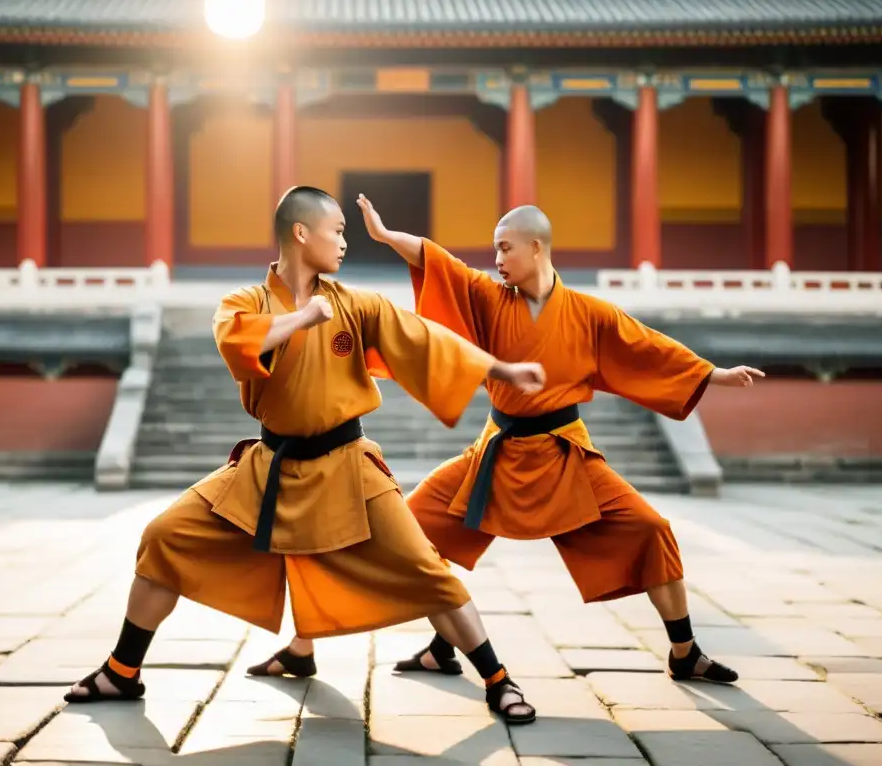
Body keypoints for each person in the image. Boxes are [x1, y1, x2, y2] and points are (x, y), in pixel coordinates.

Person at [63, 186, 544, 725]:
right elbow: (238, 342)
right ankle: (122, 671)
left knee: (426, 570)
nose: (343, 242)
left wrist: (502, 371)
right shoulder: (245, 302)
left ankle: (498, 680)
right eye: (336, 230)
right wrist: (301, 319)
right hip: (267, 470)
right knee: (163, 538)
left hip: (348, 467)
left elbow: (427, 341)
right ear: (300, 233)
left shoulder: (354, 304)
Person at [356, 195, 764, 685]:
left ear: (536, 247)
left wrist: (715, 374)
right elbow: (438, 262)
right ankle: (443, 646)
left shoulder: (589, 314)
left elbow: (647, 347)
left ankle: (685, 651)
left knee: (652, 529)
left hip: (565, 454)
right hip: (496, 451)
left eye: (506, 248)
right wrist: (384, 237)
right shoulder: (488, 299)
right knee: (414, 529)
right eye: (495, 250)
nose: (498, 259)